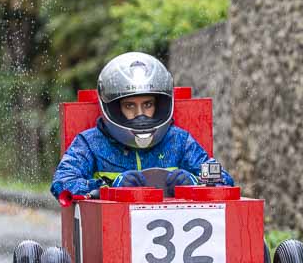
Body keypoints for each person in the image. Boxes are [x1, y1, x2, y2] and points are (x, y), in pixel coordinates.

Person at [50, 52, 233, 199]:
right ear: (113, 107)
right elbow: (62, 182)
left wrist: (195, 182)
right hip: (111, 235)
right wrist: (109, 188)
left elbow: (222, 179)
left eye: (148, 105)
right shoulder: (90, 143)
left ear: (160, 105)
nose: (140, 114)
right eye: (130, 106)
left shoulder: (179, 140)